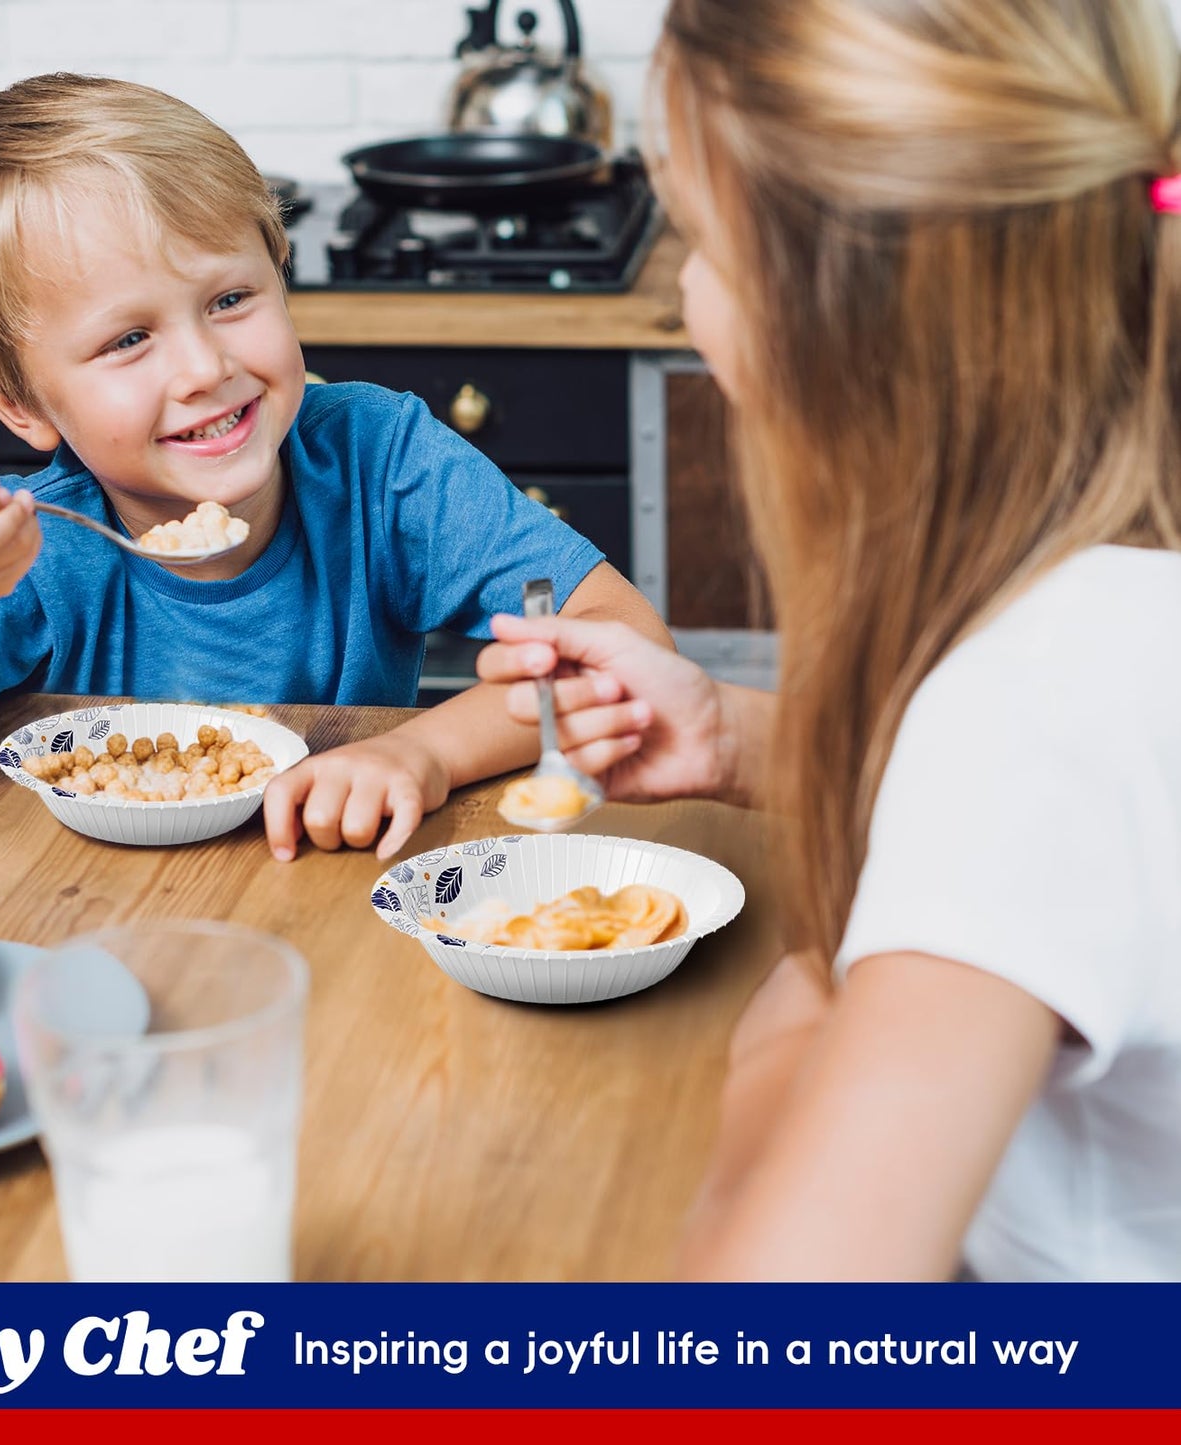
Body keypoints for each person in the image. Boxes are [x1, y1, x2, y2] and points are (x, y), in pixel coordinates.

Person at [478, 0, 1181, 1281]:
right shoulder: (1115, 596)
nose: (681, 286)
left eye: (695, 237)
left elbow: (775, 1345)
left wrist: (796, 1018)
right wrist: (745, 733)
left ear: (832, 320)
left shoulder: (1039, 700)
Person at [0, 73, 670, 862]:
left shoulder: (379, 460)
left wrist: (423, 752)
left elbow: (625, 651)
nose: (204, 368)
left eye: (229, 297)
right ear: (18, 403)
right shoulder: (40, 552)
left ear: (281, 270)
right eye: (128, 338)